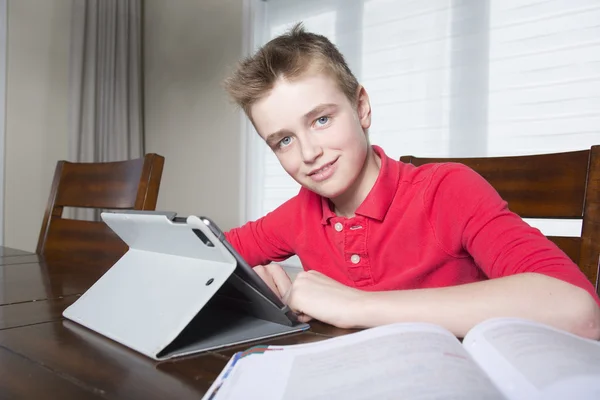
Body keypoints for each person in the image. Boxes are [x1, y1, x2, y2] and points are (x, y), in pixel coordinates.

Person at [222, 23, 600, 339]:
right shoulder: (297, 215)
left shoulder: (447, 191)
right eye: (284, 140)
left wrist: (355, 304)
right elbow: (208, 255)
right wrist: (249, 279)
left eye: (321, 120)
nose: (308, 153)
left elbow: (577, 309)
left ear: (362, 107)